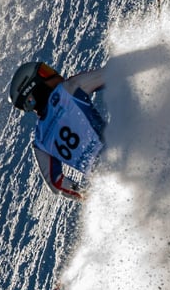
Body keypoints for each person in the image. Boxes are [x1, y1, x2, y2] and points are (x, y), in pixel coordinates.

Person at [8, 61, 106, 200]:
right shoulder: (68, 88)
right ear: (36, 88)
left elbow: (56, 183)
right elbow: (113, 73)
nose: (54, 72)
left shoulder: (40, 141)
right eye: (45, 72)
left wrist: (87, 195)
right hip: (121, 148)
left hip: (105, 176)